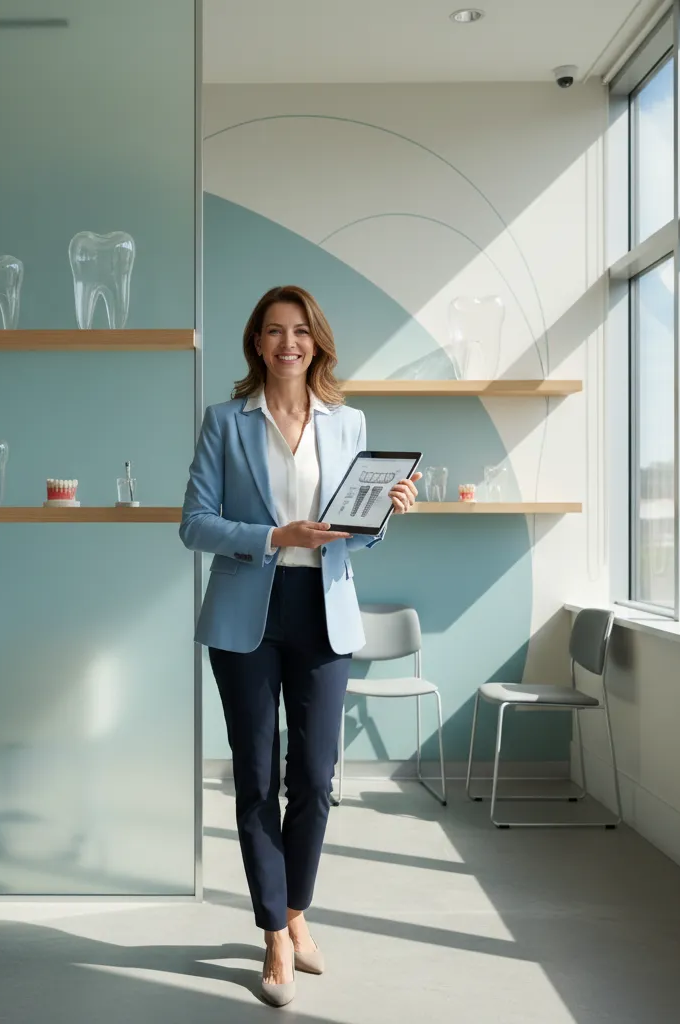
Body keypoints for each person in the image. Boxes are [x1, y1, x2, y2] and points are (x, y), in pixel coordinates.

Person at [180, 285, 420, 1007]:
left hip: (323, 609)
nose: (290, 343)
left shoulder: (348, 423)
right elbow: (194, 523)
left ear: (316, 342)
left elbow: (356, 530)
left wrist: (387, 513)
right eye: (276, 331)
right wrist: (273, 537)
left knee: (314, 778)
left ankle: (295, 909)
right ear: (257, 342)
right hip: (245, 612)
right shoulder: (226, 422)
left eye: (302, 331)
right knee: (255, 777)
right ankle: (274, 936)